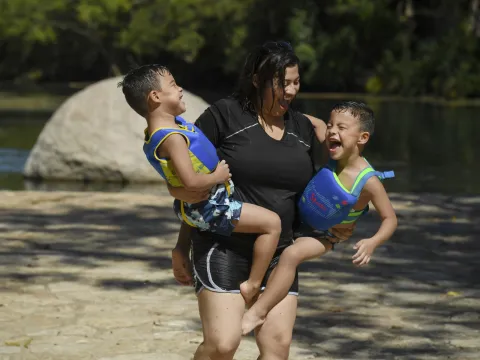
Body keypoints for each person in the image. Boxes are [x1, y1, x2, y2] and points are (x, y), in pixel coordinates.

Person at [167, 41, 355, 360]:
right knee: (222, 345)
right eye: (282, 83)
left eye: (296, 82)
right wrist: (181, 245)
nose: (291, 90)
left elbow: (326, 184)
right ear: (257, 79)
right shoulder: (222, 116)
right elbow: (192, 187)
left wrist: (336, 225)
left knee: (276, 348)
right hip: (222, 244)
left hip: (280, 254)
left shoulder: (302, 129)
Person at [118, 64, 282, 305]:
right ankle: (253, 283)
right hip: (209, 207)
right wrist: (218, 175)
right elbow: (192, 182)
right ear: (155, 97)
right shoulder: (172, 138)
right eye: (173, 85)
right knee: (273, 224)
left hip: (196, 205)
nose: (180, 88)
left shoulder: (161, 132)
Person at [241, 101, 398, 334]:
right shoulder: (333, 149)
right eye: (331, 125)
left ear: (362, 138)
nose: (333, 131)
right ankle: (254, 284)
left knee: (292, 254)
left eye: (342, 128)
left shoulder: (368, 181)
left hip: (325, 234)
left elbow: (390, 219)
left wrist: (372, 242)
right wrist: (274, 108)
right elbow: (313, 122)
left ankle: (258, 312)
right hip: (300, 218)